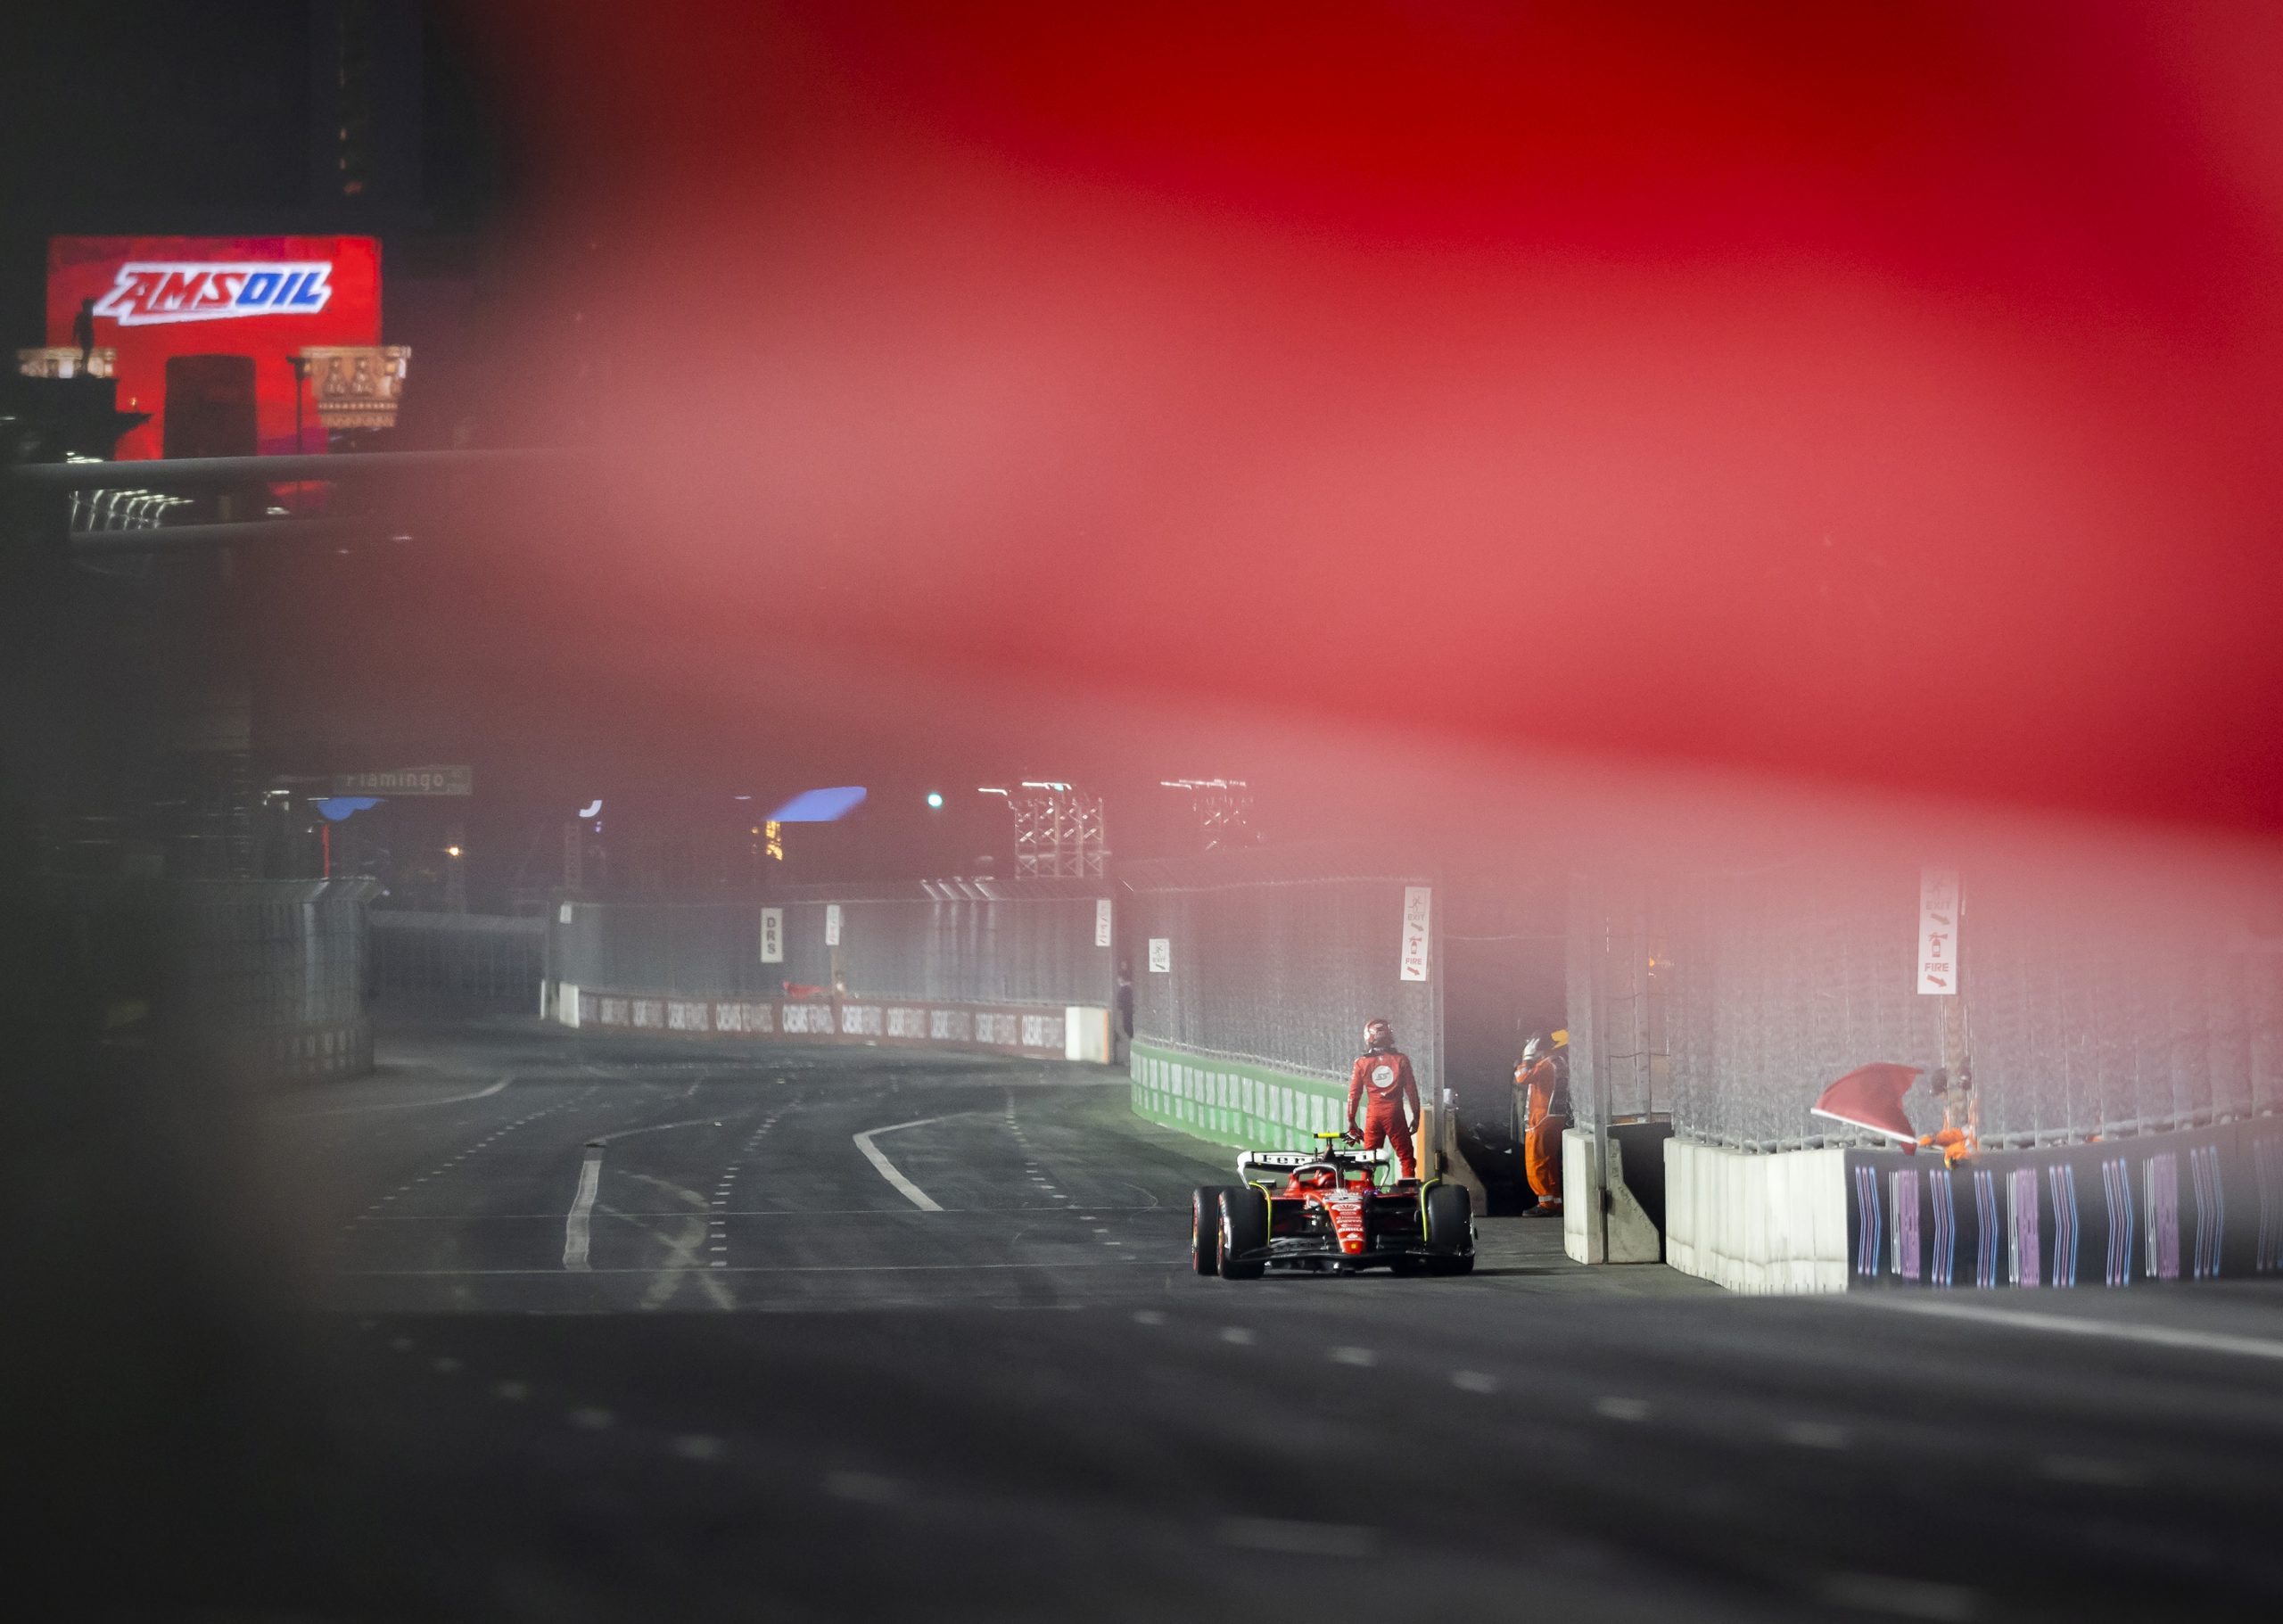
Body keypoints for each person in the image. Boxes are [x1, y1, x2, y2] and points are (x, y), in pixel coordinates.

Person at [1345, 1017, 1421, 1181]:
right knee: (1406, 1158)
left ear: (1368, 1037)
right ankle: (1408, 1195)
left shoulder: (1361, 1063)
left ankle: (1366, 1196)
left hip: (1373, 1115)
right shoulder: (1401, 1059)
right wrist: (1416, 1116)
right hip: (1395, 1113)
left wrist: (1351, 1120)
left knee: (1368, 1160)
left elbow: (1353, 1095)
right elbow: (1412, 1091)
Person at [1515, 1029, 1570, 1216]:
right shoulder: (1559, 1063)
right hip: (1555, 1118)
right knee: (1550, 1162)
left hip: (1541, 1119)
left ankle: (1546, 1204)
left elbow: (1522, 1077)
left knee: (1537, 1162)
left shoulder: (1546, 1064)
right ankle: (1554, 1201)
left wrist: (1527, 1058)